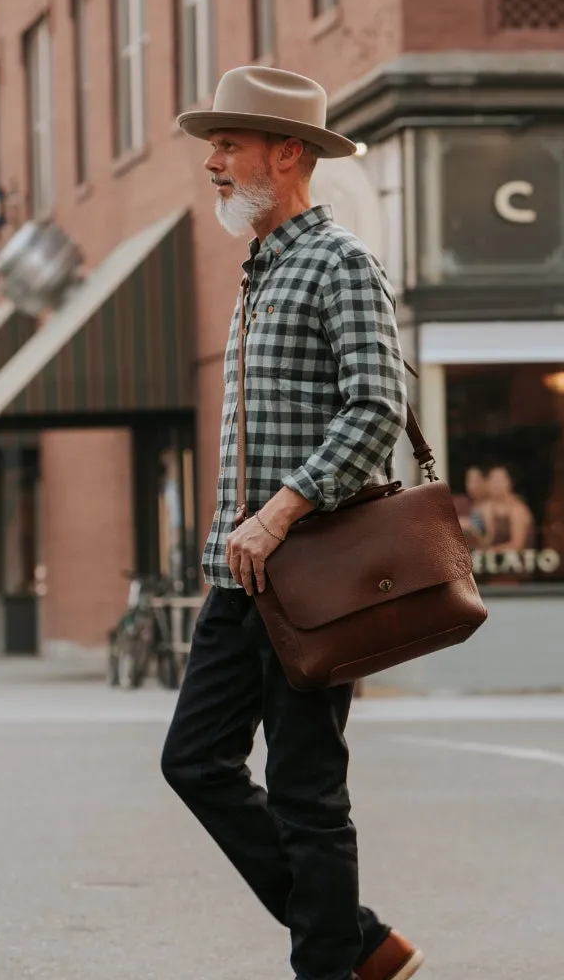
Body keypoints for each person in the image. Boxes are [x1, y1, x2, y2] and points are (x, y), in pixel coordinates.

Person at [161, 65, 424, 980]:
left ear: (288, 152)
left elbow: (376, 408)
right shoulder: (257, 273)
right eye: (213, 149)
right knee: (193, 761)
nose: (215, 165)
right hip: (243, 575)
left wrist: (277, 514)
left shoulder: (339, 261)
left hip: (310, 569)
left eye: (228, 146)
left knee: (309, 791)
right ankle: (357, 940)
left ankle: (332, 964)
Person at [481, 465, 535, 554]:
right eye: (492, 480)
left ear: (509, 483)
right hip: (491, 560)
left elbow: (517, 545)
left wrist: (492, 551)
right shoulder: (485, 506)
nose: (495, 484)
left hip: (518, 560)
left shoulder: (517, 508)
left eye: (500, 480)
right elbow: (485, 539)